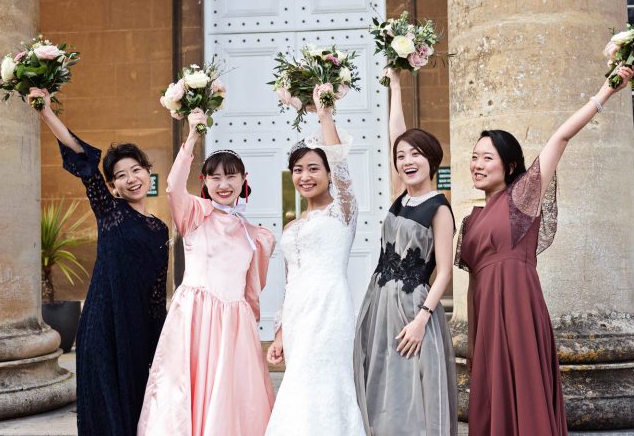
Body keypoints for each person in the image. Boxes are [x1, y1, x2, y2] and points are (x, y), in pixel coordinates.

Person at [455, 66, 634, 435]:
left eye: (487, 158)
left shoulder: (522, 197)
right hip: (486, 316)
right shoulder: (470, 219)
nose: (477, 164)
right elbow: (475, 283)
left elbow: (560, 138)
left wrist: (605, 91)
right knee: (492, 397)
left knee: (526, 390)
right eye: (474, 157)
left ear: (509, 166)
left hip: (519, 308)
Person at [29, 87, 168, 436]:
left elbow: (156, 293)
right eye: (121, 175)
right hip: (102, 324)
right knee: (102, 402)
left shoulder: (159, 229)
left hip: (136, 328)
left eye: (136, 170)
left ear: (148, 174)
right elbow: (84, 159)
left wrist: (161, 344)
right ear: (114, 186)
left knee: (136, 405)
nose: (131, 178)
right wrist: (46, 112)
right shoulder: (109, 212)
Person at [138, 108, 275, 435]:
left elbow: (252, 287)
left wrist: (249, 322)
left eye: (231, 176)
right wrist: (192, 136)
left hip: (234, 323)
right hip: (195, 316)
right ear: (205, 182)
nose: (223, 184)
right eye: (215, 177)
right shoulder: (196, 214)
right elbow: (172, 187)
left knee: (231, 395)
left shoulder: (256, 235)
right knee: (188, 388)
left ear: (244, 180)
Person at [354, 68, 457, 435]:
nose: (407, 160)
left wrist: (422, 319)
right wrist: (396, 85)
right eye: (401, 156)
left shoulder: (438, 208)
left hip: (413, 307)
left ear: (432, 160)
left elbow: (444, 270)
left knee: (409, 387)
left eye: (416, 154)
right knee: (380, 379)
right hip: (379, 300)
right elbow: (395, 134)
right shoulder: (402, 194)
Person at [265, 90, 366, 436]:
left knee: (325, 383)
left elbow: (341, 164)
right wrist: (278, 334)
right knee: (297, 385)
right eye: (298, 169)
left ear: (327, 172)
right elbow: (288, 283)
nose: (305, 176)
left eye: (313, 168)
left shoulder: (343, 212)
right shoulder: (292, 226)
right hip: (297, 316)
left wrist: (324, 114)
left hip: (330, 311)